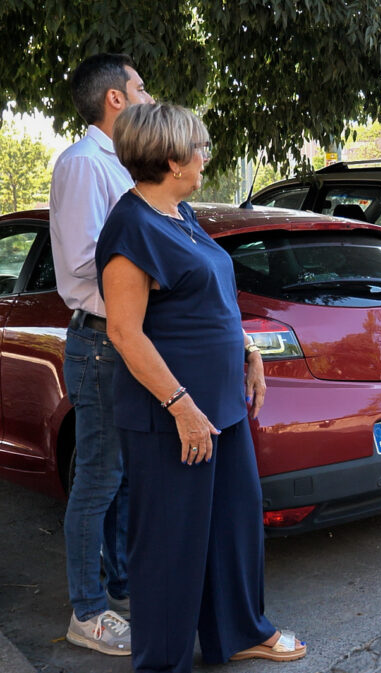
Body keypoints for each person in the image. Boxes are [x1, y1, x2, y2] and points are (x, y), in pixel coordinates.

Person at [95, 103, 306, 672]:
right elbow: (123, 331)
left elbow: (209, 297)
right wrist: (182, 408)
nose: (206, 157)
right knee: (170, 546)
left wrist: (248, 350)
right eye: (200, 148)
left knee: (233, 527)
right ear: (171, 159)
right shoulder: (131, 228)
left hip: (222, 405)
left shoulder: (178, 212)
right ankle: (162, 662)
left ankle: (237, 633)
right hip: (173, 417)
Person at [50, 52, 154, 656]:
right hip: (100, 337)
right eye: (139, 86)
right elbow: (91, 260)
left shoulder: (118, 164)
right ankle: (87, 612)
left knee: (119, 478)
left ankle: (118, 585)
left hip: (126, 334)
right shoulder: (84, 164)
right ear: (114, 98)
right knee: (96, 480)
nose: (147, 95)